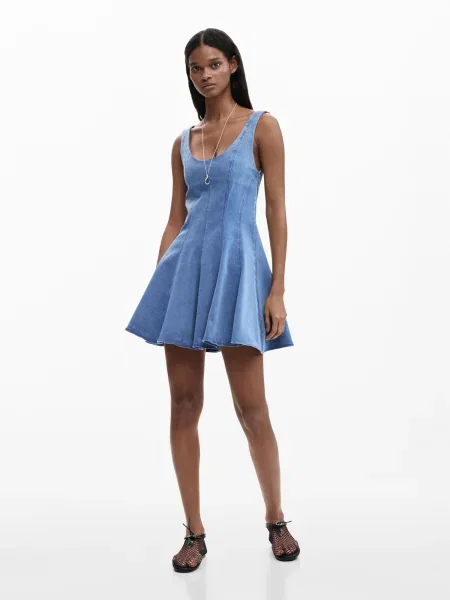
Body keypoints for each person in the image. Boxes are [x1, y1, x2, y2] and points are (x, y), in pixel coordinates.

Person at [125, 28, 300, 572]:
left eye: (214, 64)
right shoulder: (183, 141)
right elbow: (175, 218)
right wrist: (162, 284)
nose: (205, 75)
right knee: (183, 406)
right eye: (195, 68)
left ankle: (276, 519)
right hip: (184, 274)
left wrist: (277, 289)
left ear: (233, 65)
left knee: (252, 410)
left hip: (239, 273)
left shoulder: (262, 127)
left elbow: (276, 212)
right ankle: (194, 532)